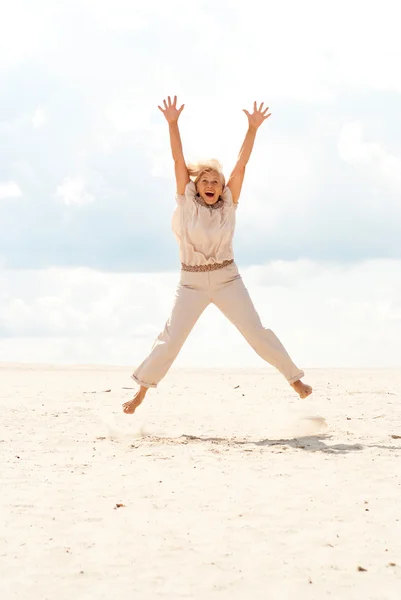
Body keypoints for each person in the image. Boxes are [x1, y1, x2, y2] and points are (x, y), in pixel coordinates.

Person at [122, 96, 312, 415]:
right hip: (191, 284)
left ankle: (294, 380)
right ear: (197, 186)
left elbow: (242, 164)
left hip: (227, 279)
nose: (210, 184)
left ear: (222, 187)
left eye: (216, 181)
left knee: (256, 332)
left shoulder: (228, 204)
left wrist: (252, 128)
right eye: (205, 181)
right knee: (170, 341)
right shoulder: (187, 203)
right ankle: (141, 393)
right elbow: (177, 161)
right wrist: (173, 124)